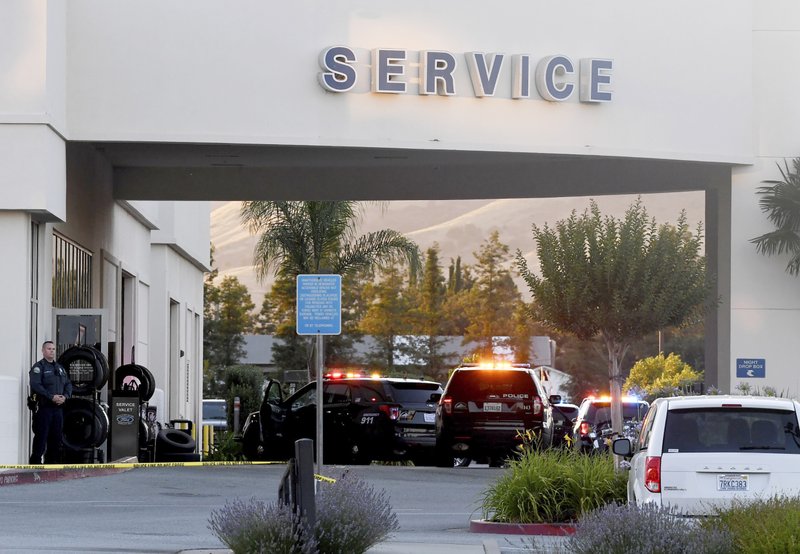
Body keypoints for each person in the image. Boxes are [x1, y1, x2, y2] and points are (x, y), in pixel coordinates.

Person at [29, 341, 72, 464]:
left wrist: (65, 396)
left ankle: (51, 468)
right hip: (44, 408)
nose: (52, 351)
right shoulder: (39, 367)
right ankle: (34, 469)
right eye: (49, 349)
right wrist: (51, 397)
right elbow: (36, 385)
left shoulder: (60, 368)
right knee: (41, 439)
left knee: (56, 440)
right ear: (43, 351)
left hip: (58, 409)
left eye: (53, 349)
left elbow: (68, 383)